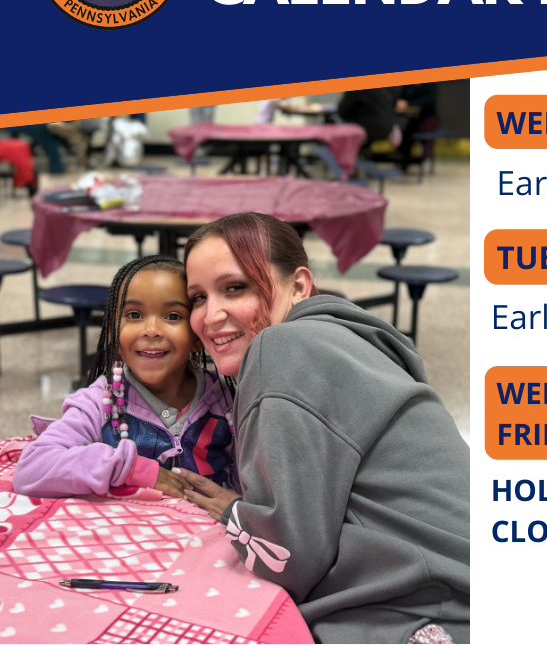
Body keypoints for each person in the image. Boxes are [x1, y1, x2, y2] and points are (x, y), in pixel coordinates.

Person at [180, 213, 470, 644]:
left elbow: (290, 557)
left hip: (426, 615)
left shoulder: (281, 346)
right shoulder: (350, 338)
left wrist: (234, 514)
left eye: (234, 288)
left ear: (299, 285)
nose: (210, 315)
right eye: (197, 298)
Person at [14, 256, 238, 499]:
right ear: (113, 333)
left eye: (172, 316)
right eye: (134, 315)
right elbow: (32, 468)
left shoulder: (228, 399)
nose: (151, 330)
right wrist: (130, 469)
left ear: (197, 335)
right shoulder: (101, 403)